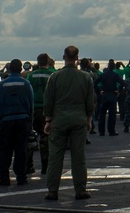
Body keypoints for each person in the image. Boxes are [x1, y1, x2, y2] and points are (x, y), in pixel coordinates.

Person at [43, 45, 95, 201]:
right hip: (78, 120)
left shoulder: (55, 77)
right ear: (77, 58)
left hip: (59, 121)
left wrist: (48, 120)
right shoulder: (86, 77)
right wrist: (88, 120)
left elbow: (48, 100)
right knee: (78, 157)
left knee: (55, 157)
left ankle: (53, 191)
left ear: (64, 57)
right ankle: (80, 190)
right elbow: (90, 102)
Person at [0, 58, 33, 186]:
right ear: (21, 68)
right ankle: (21, 176)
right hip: (22, 120)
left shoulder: (1, 85)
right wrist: (30, 123)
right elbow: (31, 105)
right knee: (21, 150)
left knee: (4, 150)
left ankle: (4, 177)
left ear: (9, 69)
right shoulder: (26, 84)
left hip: (6, 120)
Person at [26, 53, 55, 175]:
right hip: (46, 110)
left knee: (31, 138)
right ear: (48, 62)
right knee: (46, 137)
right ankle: (45, 165)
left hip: (33, 109)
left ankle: (29, 165)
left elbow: (27, 92)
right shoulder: (52, 75)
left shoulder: (31, 76)